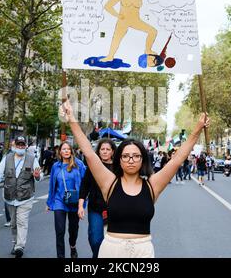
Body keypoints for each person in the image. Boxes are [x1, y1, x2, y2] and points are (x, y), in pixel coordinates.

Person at [60, 100, 209, 258]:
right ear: (119, 160)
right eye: (125, 156)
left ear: (142, 160)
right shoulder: (109, 182)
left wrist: (197, 129)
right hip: (111, 250)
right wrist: (71, 119)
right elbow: (89, 153)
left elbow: (177, 159)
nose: (131, 160)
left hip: (143, 251)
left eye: (136, 156)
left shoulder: (153, 185)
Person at [100, 0, 176, 63]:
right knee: (116, 39)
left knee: (153, 31)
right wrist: (118, 15)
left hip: (136, 21)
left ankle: (148, 49)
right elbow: (107, 6)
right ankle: (110, 56)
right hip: (123, 21)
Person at [0, 136, 41, 258]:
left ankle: (20, 247)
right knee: (13, 223)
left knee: (22, 222)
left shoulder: (32, 159)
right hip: (10, 197)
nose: (20, 147)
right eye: (18, 145)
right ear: (14, 146)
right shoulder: (7, 158)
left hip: (26, 197)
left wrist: (37, 176)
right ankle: (15, 243)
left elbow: (39, 176)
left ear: (26, 146)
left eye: (22, 145)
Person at [46, 142, 86, 258]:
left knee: (73, 230)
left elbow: (85, 183)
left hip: (75, 201)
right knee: (60, 231)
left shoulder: (79, 165)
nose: (66, 151)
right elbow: (52, 185)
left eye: (68, 149)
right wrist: (49, 202)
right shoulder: (55, 166)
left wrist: (82, 204)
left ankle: (72, 246)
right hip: (59, 201)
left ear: (71, 151)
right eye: (64, 149)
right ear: (60, 152)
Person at [78, 138, 117, 258]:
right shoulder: (94, 166)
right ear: (98, 152)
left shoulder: (118, 167)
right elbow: (85, 185)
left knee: (113, 242)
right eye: (102, 149)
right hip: (95, 208)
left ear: (112, 152)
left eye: (108, 149)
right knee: (95, 239)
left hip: (114, 209)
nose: (105, 152)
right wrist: (80, 205)